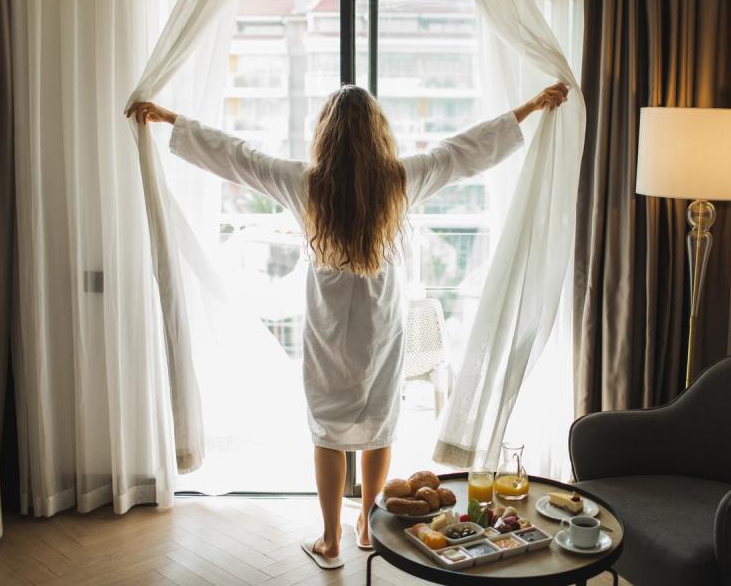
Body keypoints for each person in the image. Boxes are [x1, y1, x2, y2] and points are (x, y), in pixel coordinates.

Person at [126, 81, 568, 569]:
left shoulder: (305, 182)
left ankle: (331, 539)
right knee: (380, 430)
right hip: (381, 333)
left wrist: (171, 120)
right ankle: (366, 527)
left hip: (328, 333)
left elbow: (239, 158)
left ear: (326, 136)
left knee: (327, 434)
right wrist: (528, 107)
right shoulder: (401, 181)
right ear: (378, 135)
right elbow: (462, 152)